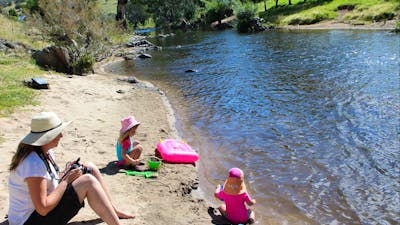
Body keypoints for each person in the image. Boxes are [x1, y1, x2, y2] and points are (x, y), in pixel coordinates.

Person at [7, 112, 134, 225]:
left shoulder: (45, 151)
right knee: (88, 181)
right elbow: (43, 208)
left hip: (39, 212)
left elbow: (49, 181)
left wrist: (67, 172)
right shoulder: (32, 163)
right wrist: (66, 180)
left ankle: (113, 210)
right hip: (29, 220)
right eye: (58, 133)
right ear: (46, 137)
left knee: (90, 167)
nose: (61, 135)